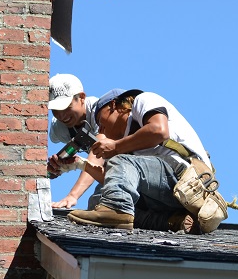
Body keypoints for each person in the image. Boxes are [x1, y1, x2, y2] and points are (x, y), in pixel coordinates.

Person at [67, 88, 227, 233]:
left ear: (113, 106)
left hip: (187, 179)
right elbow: (116, 181)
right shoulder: (130, 147)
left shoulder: (143, 100)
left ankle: (116, 209)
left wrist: (115, 147)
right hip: (170, 195)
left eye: (101, 123)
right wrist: (79, 164)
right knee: (98, 198)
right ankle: (174, 222)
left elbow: (158, 131)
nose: (101, 131)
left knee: (121, 165)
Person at [46, 74, 112, 209]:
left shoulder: (100, 112)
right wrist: (60, 164)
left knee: (103, 203)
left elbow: (97, 154)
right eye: (55, 110)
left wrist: (73, 195)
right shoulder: (59, 128)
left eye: (66, 107)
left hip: (135, 162)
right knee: (95, 204)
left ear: (82, 98)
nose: (62, 115)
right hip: (109, 171)